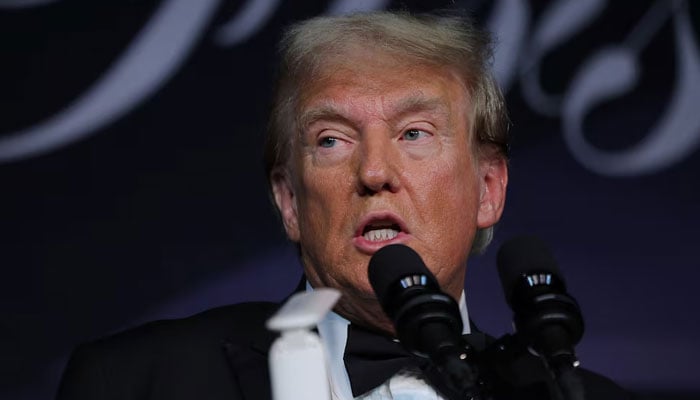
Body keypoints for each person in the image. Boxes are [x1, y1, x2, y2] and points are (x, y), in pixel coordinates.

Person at [57, 10, 629, 400]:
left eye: (415, 133)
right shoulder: (137, 382)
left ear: (487, 189)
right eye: (332, 140)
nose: (375, 172)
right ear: (289, 201)